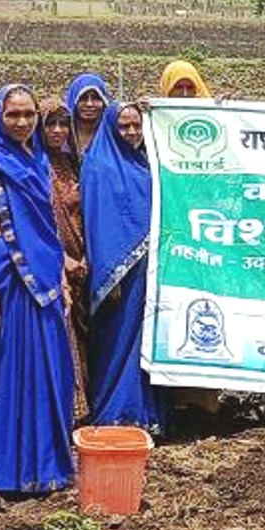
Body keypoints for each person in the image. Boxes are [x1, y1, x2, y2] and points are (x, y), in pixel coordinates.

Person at [0, 85, 81, 493]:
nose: (22, 122)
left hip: (45, 277)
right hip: (6, 274)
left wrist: (61, 278)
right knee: (7, 371)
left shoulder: (36, 159)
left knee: (49, 369)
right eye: (13, 115)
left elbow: (47, 227)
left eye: (29, 114)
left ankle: (47, 467)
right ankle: (5, 472)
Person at [82, 95, 162, 434]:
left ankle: (145, 412)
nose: (131, 132)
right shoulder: (98, 166)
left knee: (145, 341)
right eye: (124, 126)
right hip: (116, 276)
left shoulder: (149, 162)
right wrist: (108, 278)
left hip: (149, 273)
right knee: (117, 344)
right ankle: (113, 411)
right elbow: (96, 223)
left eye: (136, 125)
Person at [41, 101, 93, 423]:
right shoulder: (36, 166)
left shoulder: (70, 163)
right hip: (54, 266)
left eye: (63, 123)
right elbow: (35, 222)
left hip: (82, 263)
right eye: (51, 124)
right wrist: (63, 258)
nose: (58, 131)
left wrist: (86, 255)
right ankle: (65, 414)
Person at [65, 72, 117, 152]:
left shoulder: (114, 137)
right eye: (83, 98)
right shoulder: (61, 137)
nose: (89, 104)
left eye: (95, 98)